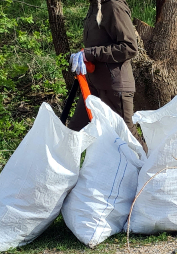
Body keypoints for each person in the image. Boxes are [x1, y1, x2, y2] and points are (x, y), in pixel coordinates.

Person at [67, 0, 140, 148]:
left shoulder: (113, 6)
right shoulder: (94, 5)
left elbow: (130, 47)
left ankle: (151, 169)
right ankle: (56, 170)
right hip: (93, 85)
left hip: (115, 86)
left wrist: (91, 54)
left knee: (127, 137)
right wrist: (82, 55)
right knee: (74, 133)